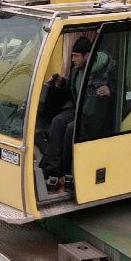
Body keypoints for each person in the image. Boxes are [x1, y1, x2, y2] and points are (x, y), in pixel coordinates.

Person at [39, 37, 110, 191]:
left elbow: (121, 87)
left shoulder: (104, 71)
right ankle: (52, 167)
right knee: (58, 122)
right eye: (72, 55)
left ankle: (66, 172)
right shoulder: (76, 70)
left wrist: (111, 91)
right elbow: (73, 87)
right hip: (78, 109)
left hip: (92, 116)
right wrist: (61, 82)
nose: (73, 59)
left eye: (76, 56)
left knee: (71, 128)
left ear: (87, 56)